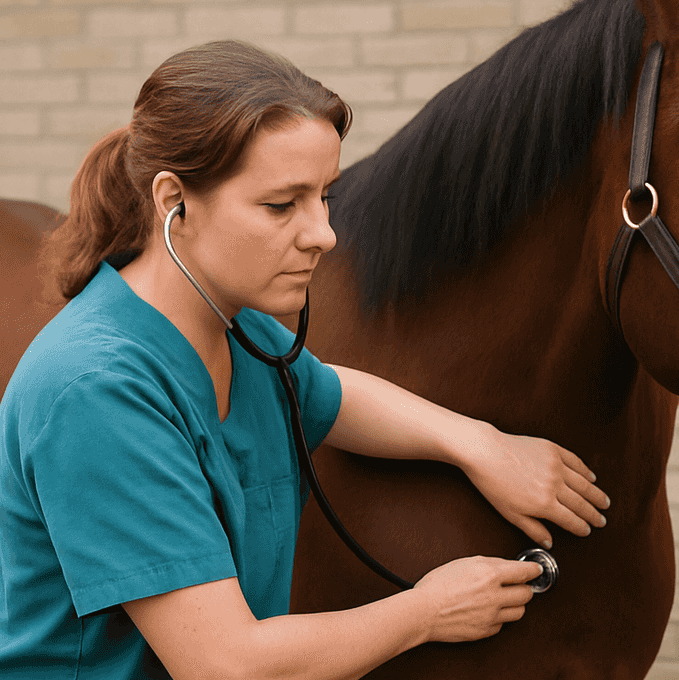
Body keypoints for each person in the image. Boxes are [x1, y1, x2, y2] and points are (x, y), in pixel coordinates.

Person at [0, 41, 610, 679]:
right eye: (281, 205)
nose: (324, 233)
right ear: (173, 201)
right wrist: (428, 611)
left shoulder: (242, 334)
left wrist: (478, 445)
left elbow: (334, 396)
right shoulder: (96, 390)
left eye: (325, 196)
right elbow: (225, 667)